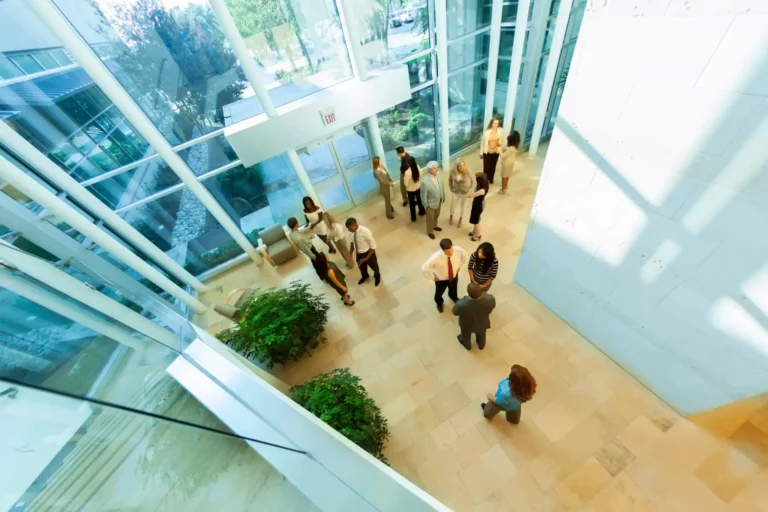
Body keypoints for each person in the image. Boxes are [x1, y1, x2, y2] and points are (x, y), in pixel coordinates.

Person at [421, 238, 468, 313]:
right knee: (438, 293)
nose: (450, 253)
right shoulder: (435, 258)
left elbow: (465, 256)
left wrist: (460, 266)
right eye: (447, 251)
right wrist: (432, 278)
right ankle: (439, 303)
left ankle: (453, 297)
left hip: (454, 276)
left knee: (454, 288)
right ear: (442, 250)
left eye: (451, 249)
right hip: (441, 279)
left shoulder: (458, 249)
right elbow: (424, 268)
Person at [452, 282, 496, 350]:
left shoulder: (461, 304)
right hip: (482, 323)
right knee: (482, 334)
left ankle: (467, 345)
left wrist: (465, 298)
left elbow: (454, 312)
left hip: (467, 325)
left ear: (467, 293)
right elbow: (492, 307)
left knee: (465, 335)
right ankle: (481, 345)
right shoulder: (490, 299)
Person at [346, 217, 381, 286]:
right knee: (362, 267)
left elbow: (373, 246)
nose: (348, 230)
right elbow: (352, 242)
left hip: (368, 254)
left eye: (349, 228)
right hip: (359, 254)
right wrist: (350, 254)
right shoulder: (352, 232)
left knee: (375, 267)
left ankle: (377, 277)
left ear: (354, 225)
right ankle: (365, 276)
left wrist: (367, 258)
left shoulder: (365, 232)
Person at [420, 161, 445, 240]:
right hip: (430, 205)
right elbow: (423, 196)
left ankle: (435, 226)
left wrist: (443, 196)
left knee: (437, 215)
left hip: (438, 201)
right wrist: (426, 206)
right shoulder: (425, 182)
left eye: (436, 168)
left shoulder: (438, 175)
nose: (437, 170)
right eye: (435, 168)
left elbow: (441, 186)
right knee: (430, 219)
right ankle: (430, 231)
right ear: (429, 170)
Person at [448, 158, 475, 228]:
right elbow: (450, 180)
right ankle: (451, 215)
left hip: (465, 191)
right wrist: (451, 188)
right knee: (453, 205)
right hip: (456, 191)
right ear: (456, 166)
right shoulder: (452, 172)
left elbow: (474, 181)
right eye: (460, 166)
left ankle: (461, 218)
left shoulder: (468, 171)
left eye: (463, 165)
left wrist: (471, 190)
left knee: (464, 205)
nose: (462, 167)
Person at [402, 150, 426, 221]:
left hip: (410, 190)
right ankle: (422, 211)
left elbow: (406, 184)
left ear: (408, 163)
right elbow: (421, 175)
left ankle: (413, 218)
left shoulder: (407, 172)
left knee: (412, 204)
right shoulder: (417, 166)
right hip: (418, 187)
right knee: (419, 200)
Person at [397, 146, 423, 210]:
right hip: (403, 173)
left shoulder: (408, 159)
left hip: (407, 174)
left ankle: (411, 200)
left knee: (407, 187)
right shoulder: (402, 157)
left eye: (397, 153)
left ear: (399, 153)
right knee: (403, 188)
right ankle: (406, 199)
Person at [480, 117, 504, 185]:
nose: (496, 125)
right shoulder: (487, 132)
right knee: (486, 166)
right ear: (491, 123)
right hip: (487, 151)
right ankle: (485, 180)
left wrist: (500, 146)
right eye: (494, 123)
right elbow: (482, 142)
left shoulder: (500, 130)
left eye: (497, 123)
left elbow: (502, 140)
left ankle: (491, 179)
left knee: (493, 166)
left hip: (496, 151)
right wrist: (481, 152)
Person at [468, 172, 489, 242]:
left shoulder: (482, 190)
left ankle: (478, 235)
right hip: (477, 203)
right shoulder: (483, 184)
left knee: (477, 221)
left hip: (478, 205)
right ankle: (474, 231)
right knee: (475, 219)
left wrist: (473, 186)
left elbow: (470, 195)